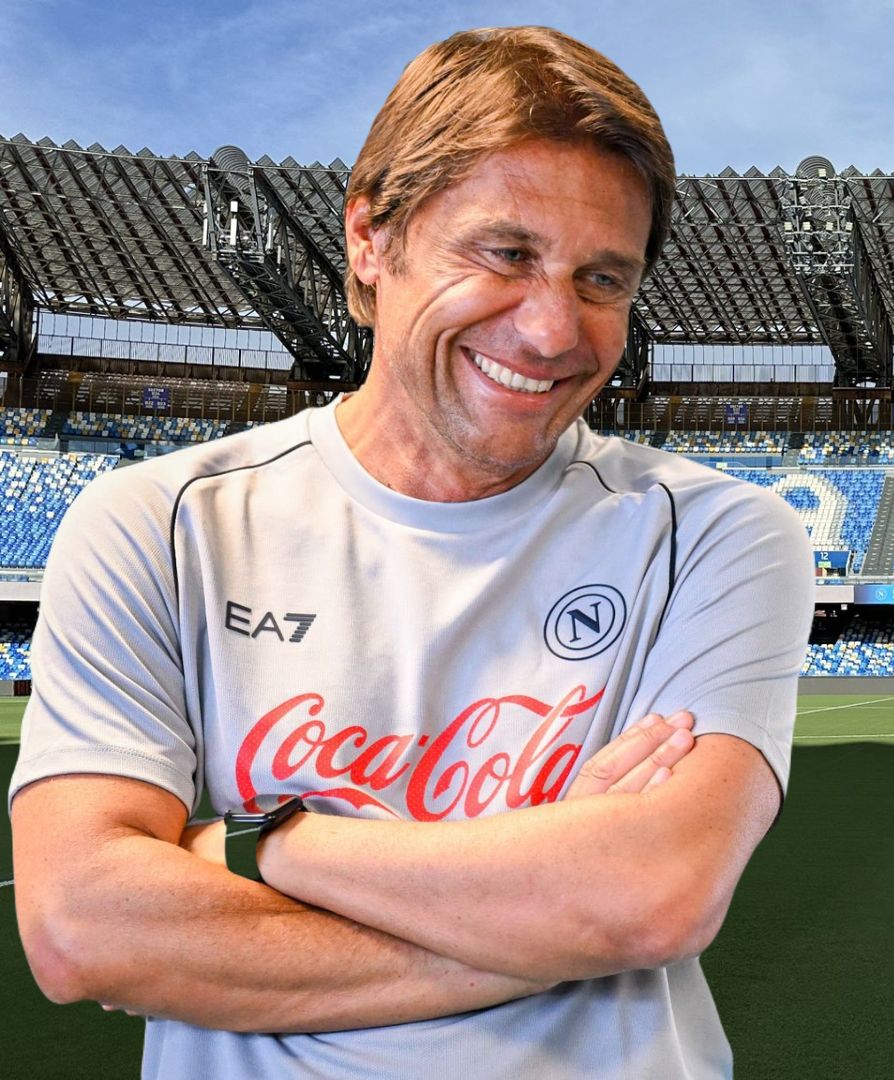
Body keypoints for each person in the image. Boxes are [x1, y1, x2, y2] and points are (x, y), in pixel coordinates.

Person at [11, 27, 813, 1079]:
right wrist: (554, 917)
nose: (551, 330)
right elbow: (82, 927)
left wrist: (265, 843)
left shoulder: (717, 536)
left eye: (602, 279)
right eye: (505, 254)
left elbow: (651, 898)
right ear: (370, 239)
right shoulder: (159, 523)